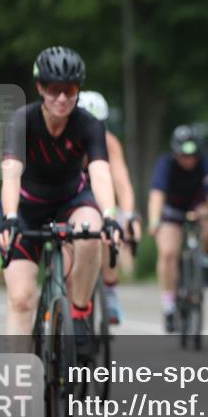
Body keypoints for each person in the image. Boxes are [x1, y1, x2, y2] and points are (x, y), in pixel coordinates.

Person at [0, 46, 122, 358]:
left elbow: (100, 173)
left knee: (91, 234)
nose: (62, 99)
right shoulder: (21, 122)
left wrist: (110, 215)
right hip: (25, 208)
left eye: (70, 90)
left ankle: (79, 315)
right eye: (54, 91)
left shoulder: (90, 124)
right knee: (22, 299)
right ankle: (21, 382)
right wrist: (10, 217)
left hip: (71, 201)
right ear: (40, 89)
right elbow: (11, 174)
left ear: (78, 90)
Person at [147, 125, 208, 333]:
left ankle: (204, 260)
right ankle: (169, 305)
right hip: (172, 210)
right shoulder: (165, 164)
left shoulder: (207, 162)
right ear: (175, 152)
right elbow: (157, 195)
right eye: (183, 155)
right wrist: (154, 221)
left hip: (198, 207)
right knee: (168, 253)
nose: (189, 159)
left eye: (193, 155)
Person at [76, 90, 143, 324]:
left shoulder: (110, 143)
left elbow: (122, 183)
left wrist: (129, 216)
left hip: (100, 201)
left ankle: (110, 288)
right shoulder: (64, 140)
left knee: (108, 232)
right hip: (71, 199)